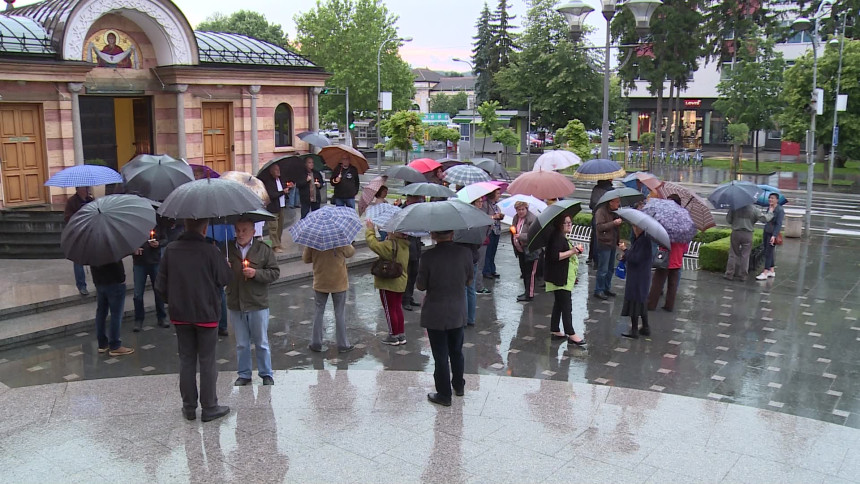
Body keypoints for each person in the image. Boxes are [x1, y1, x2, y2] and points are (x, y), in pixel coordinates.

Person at [156, 218, 232, 422]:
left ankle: (188, 407)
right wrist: (225, 265)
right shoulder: (210, 251)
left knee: (186, 359)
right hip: (206, 314)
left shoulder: (171, 250)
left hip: (180, 314)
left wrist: (173, 301)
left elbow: (160, 286)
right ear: (205, 228)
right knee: (207, 360)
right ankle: (209, 407)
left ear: (185, 225)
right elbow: (225, 279)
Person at [417, 230, 473, 406]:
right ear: (453, 233)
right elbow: (469, 280)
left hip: (435, 312)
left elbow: (420, 285)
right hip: (457, 310)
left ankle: (444, 394)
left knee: (440, 355)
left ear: (433, 235)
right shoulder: (465, 253)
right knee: (456, 350)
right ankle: (459, 385)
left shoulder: (428, 257)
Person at [225, 219, 280, 386]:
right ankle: (244, 374)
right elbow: (216, 276)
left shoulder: (263, 250)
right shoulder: (226, 249)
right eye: (237, 230)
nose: (240, 234)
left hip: (257, 303)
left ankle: (266, 374)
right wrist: (222, 268)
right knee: (241, 344)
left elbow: (274, 273)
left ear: (253, 231)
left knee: (261, 342)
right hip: (236, 302)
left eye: (244, 230)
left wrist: (256, 273)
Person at [303, 243, 356, 353]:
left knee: (319, 311)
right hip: (339, 282)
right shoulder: (339, 239)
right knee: (339, 313)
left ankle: (316, 343)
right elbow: (350, 252)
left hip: (320, 281)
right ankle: (343, 344)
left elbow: (306, 259)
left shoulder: (313, 240)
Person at [365, 219, 410, 345]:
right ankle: (401, 334)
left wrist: (370, 229)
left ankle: (393, 335)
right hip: (401, 281)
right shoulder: (404, 245)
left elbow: (372, 244)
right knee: (397, 308)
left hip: (389, 282)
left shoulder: (390, 245)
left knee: (389, 309)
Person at [544, 215, 586, 346]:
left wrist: (574, 252)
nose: (569, 225)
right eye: (565, 223)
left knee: (559, 303)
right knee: (566, 305)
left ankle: (555, 329)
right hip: (560, 277)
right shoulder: (557, 237)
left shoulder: (561, 236)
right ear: (559, 224)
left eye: (570, 222)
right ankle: (571, 333)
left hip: (563, 276)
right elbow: (555, 256)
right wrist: (573, 251)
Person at [647, 194, 689, 312]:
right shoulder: (685, 220)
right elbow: (686, 242)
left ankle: (651, 304)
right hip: (677, 257)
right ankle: (669, 305)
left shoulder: (667, 219)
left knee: (657, 282)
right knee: (673, 284)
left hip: (666, 256)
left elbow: (660, 236)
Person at [91, 259, 135, 356]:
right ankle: (115, 345)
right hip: (114, 282)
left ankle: (102, 344)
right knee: (116, 314)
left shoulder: (92, 246)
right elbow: (116, 265)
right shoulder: (111, 246)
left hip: (99, 281)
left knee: (101, 313)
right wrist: (122, 279)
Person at [131, 221, 168, 331]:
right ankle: (139, 319)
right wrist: (133, 249)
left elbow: (165, 239)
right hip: (139, 263)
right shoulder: (133, 225)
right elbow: (127, 242)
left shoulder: (157, 224)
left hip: (154, 261)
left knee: (158, 290)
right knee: (138, 293)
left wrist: (158, 244)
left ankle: (161, 317)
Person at [724, 204, 771, 282]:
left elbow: (729, 220)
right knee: (745, 255)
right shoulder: (754, 209)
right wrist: (770, 212)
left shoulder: (735, 207)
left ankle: (729, 274)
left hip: (736, 232)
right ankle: (743, 276)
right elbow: (764, 219)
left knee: (733, 254)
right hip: (748, 234)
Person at [620, 226, 650, 339]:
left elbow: (635, 258)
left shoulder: (643, 241)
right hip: (641, 276)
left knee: (635, 302)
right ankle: (645, 327)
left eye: (635, 227)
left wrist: (625, 250)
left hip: (637, 278)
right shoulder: (642, 239)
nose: (633, 228)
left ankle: (634, 330)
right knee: (641, 302)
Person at [64, 186, 93, 296]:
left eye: (87, 188)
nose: (86, 190)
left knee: (96, 258)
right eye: (84, 188)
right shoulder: (71, 202)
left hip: (90, 233)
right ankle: (81, 286)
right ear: (78, 189)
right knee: (78, 261)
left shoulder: (90, 200)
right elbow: (67, 218)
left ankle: (98, 282)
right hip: (78, 234)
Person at [593, 196, 623, 300]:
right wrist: (613, 223)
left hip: (613, 242)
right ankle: (599, 290)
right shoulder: (601, 212)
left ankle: (606, 287)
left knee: (610, 268)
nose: (618, 204)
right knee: (603, 269)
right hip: (604, 243)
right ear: (610, 202)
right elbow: (600, 227)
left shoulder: (615, 212)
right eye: (617, 202)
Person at [511, 201, 539, 302]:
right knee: (524, 271)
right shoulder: (516, 218)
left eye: (523, 209)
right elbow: (514, 228)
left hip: (531, 250)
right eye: (519, 210)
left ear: (526, 209)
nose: (521, 211)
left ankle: (529, 294)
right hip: (521, 250)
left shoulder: (532, 219)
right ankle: (526, 291)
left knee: (530, 273)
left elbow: (533, 235)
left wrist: (520, 236)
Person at [261, 163, 292, 253]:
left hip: (281, 206)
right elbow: (272, 194)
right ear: (271, 172)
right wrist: (283, 192)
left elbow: (284, 190)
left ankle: (278, 242)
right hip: (273, 207)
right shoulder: (269, 182)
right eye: (276, 170)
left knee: (280, 227)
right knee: (273, 227)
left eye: (278, 169)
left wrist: (289, 188)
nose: (278, 171)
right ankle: (274, 245)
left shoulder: (281, 180)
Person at [401, 195, 424, 311]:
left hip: (416, 247)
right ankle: (404, 299)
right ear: (408, 200)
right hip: (406, 247)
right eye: (415, 200)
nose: (417, 202)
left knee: (414, 273)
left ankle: (409, 297)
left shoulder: (417, 213)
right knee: (407, 274)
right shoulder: (402, 211)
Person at [757, 193, 784, 281]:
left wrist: (774, 235)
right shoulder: (770, 208)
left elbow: (779, 224)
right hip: (766, 231)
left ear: (777, 200)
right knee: (767, 250)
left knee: (768, 252)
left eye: (772, 198)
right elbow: (766, 219)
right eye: (769, 198)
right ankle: (771, 270)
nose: (770, 200)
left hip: (772, 233)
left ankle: (765, 272)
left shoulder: (780, 210)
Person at [588, 179, 613, 268]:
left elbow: (591, 205)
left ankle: (593, 258)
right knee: (601, 239)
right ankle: (599, 261)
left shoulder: (596, 188)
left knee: (594, 238)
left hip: (595, 216)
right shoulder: (610, 190)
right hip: (605, 218)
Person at [482, 188, 504, 280]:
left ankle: (492, 269)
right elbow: (482, 216)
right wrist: (494, 216)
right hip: (490, 231)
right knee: (488, 251)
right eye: (497, 193)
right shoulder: (486, 204)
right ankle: (486, 270)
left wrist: (500, 216)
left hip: (497, 230)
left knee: (493, 251)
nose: (499, 195)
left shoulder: (496, 205)